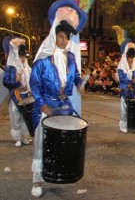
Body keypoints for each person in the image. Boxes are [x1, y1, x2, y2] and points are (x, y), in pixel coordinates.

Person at [29, 20, 83, 197]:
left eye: (66, 38)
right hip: (46, 105)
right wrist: (42, 104)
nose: (64, 41)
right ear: (54, 37)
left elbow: (76, 77)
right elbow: (35, 85)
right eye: (61, 37)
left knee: (60, 143)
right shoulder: (42, 62)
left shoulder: (72, 58)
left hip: (63, 105)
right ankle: (37, 180)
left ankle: (57, 173)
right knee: (40, 143)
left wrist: (80, 84)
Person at [3, 38, 31, 147]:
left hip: (26, 96)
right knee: (16, 117)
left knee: (25, 118)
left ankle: (24, 137)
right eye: (21, 56)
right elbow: (6, 82)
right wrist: (16, 82)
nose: (23, 59)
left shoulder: (27, 68)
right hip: (15, 97)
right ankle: (18, 138)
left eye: (24, 56)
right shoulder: (11, 68)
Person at [117, 39, 135, 133]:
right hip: (125, 90)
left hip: (132, 90)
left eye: (132, 58)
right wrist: (130, 82)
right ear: (126, 57)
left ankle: (131, 124)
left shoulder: (134, 67)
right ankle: (123, 125)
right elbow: (122, 79)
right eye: (130, 58)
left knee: (132, 109)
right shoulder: (121, 67)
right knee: (124, 109)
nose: (131, 60)